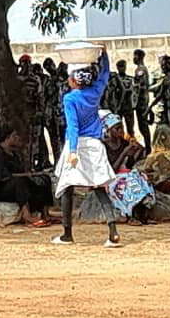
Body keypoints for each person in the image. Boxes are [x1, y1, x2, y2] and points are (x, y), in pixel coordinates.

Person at [51, 47, 121, 247]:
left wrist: (72, 151)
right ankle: (113, 232)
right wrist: (104, 54)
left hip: (78, 144)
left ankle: (67, 234)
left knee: (67, 187)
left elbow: (73, 126)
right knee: (99, 187)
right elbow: (105, 73)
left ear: (73, 79)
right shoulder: (95, 92)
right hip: (95, 145)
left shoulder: (70, 99)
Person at [0, 125, 54, 227]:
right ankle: (26, 215)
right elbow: (4, 176)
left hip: (17, 183)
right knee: (19, 182)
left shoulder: (15, 155)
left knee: (44, 179)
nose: (17, 138)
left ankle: (45, 213)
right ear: (7, 138)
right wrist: (26, 175)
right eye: (14, 136)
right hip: (3, 188)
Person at [102, 112, 155, 225]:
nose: (121, 131)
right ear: (108, 130)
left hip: (126, 174)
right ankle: (131, 215)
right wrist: (125, 153)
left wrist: (134, 153)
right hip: (112, 178)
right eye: (117, 128)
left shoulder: (124, 143)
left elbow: (130, 165)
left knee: (142, 179)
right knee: (127, 184)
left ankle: (143, 215)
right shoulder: (104, 146)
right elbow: (112, 170)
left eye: (122, 128)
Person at [42, 58, 66, 159]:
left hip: (62, 112)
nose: (49, 68)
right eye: (46, 67)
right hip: (51, 113)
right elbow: (45, 96)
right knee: (54, 139)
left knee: (64, 136)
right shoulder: (48, 81)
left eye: (49, 65)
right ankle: (58, 159)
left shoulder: (63, 79)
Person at [133, 49, 153, 148]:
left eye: (135, 56)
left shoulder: (141, 70)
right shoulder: (139, 69)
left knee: (143, 126)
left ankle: (148, 147)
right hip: (141, 101)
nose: (133, 58)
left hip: (141, 102)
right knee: (142, 126)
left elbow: (141, 86)